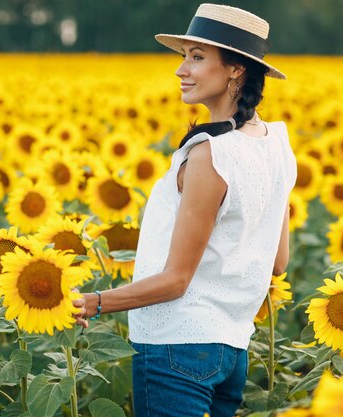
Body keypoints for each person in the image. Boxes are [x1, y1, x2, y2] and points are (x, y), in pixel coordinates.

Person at [73, 3, 297, 417]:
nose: (181, 70)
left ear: (236, 69)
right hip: (231, 353)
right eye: (184, 57)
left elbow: (176, 281)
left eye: (197, 57)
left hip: (175, 348)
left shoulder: (212, 154)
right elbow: (278, 262)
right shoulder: (276, 144)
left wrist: (94, 301)